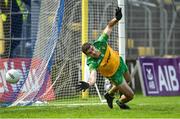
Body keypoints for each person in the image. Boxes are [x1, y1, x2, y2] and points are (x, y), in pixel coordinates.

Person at [76, 7, 134, 109]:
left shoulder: (100, 42)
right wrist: (89, 84)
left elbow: (109, 26)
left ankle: (109, 94)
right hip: (114, 75)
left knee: (128, 80)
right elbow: (93, 77)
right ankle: (120, 102)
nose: (93, 52)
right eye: (90, 52)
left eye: (92, 49)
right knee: (130, 96)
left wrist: (116, 18)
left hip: (119, 63)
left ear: (93, 46)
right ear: (88, 55)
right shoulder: (92, 62)